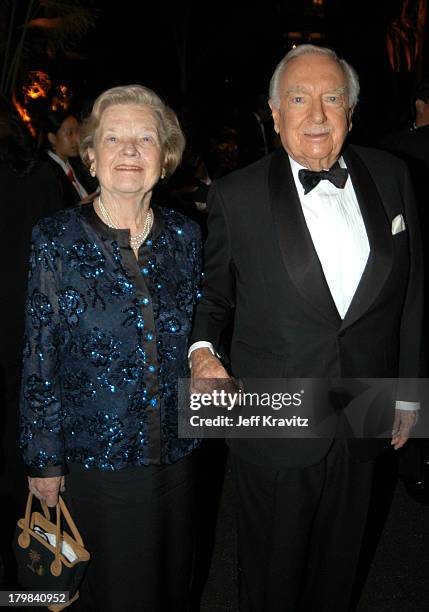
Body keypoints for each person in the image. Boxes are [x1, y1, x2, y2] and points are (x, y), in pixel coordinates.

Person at [189, 45, 423, 612]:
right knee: (271, 577)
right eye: (299, 98)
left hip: (366, 403)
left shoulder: (392, 175)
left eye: (332, 98)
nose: (316, 114)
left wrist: (409, 392)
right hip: (272, 411)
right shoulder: (235, 194)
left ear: (350, 110)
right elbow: (214, 296)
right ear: (274, 113)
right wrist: (200, 353)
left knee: (338, 572)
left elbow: (413, 291)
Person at [19, 84, 202, 611]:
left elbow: (203, 333)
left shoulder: (186, 236)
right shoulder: (56, 238)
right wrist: (43, 460)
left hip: (178, 455)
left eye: (145, 138)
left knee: (175, 588)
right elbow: (39, 353)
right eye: (114, 138)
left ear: (165, 159)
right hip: (97, 464)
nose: (130, 150)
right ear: (92, 156)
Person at [0, 94, 64, 588]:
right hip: (30, 332)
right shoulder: (42, 175)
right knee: (22, 457)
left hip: (21, 333)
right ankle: (33, 576)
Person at [40, 108, 98, 207]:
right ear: (52, 138)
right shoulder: (46, 173)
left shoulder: (75, 163)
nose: (76, 139)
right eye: (70, 133)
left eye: (78, 132)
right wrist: (77, 208)